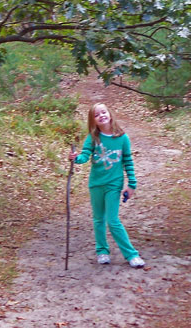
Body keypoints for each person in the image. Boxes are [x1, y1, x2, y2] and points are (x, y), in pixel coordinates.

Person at [69, 103, 145, 268]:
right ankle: (102, 251)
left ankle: (131, 254)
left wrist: (132, 184)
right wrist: (76, 158)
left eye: (104, 112)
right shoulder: (93, 138)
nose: (101, 115)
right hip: (96, 184)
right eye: (97, 115)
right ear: (93, 121)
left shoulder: (122, 138)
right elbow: (85, 156)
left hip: (114, 184)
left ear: (110, 114)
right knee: (98, 219)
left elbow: (128, 161)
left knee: (112, 220)